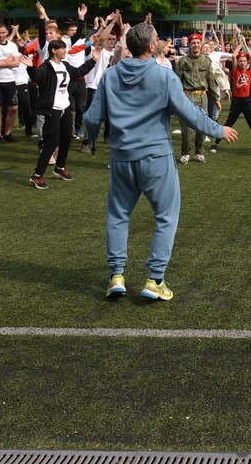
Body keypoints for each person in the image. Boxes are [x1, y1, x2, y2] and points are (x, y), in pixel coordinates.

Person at [84, 22, 238, 301]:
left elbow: (93, 118)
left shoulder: (110, 76)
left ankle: (116, 275)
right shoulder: (164, 76)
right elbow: (189, 114)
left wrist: (91, 139)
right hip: (156, 157)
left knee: (118, 217)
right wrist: (218, 129)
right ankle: (155, 279)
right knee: (166, 217)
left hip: (121, 158)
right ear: (152, 46)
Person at [28, 36, 99, 189]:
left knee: (66, 138)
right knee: (51, 142)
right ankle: (37, 175)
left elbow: (79, 71)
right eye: (62, 49)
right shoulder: (46, 67)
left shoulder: (65, 65)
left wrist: (93, 60)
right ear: (53, 50)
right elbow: (37, 77)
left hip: (65, 107)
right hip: (51, 109)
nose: (65, 51)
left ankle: (60, 167)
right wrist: (31, 68)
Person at [173, 33, 221, 164]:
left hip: (202, 97)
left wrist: (216, 99)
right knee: (186, 127)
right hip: (187, 96)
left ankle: (199, 152)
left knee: (202, 126)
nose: (195, 45)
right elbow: (176, 80)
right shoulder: (183, 61)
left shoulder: (206, 61)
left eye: (198, 43)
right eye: (193, 43)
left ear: (201, 45)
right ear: (188, 45)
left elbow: (211, 81)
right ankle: (185, 153)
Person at [213, 45, 251, 153]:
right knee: (229, 122)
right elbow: (234, 56)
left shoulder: (249, 71)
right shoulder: (235, 72)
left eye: (244, 61)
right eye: (240, 61)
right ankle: (216, 142)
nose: (243, 63)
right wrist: (241, 43)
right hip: (236, 102)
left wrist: (245, 44)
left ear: (247, 62)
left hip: (247, 102)